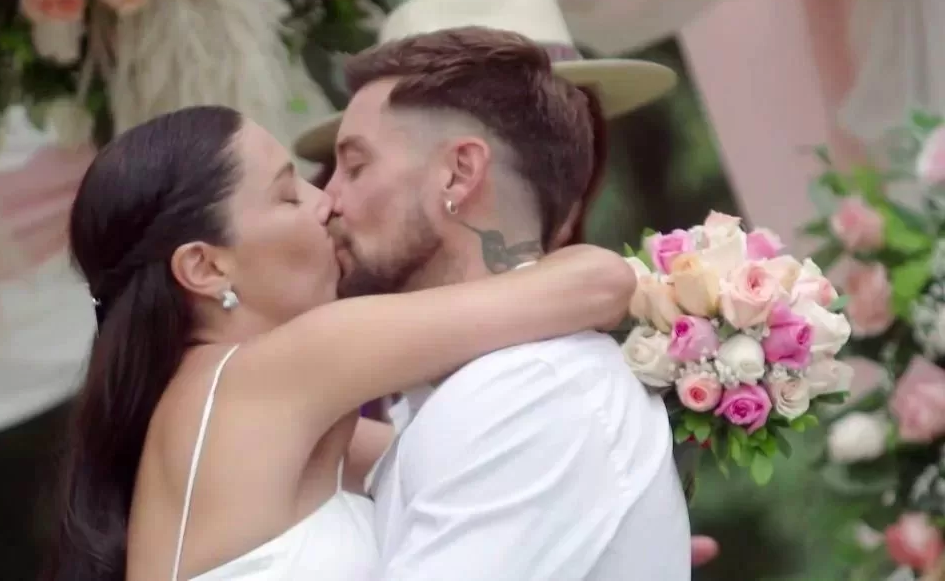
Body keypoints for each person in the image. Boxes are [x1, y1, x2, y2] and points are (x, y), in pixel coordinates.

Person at [42, 104, 637, 581]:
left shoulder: (219, 407)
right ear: (205, 266)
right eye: (287, 194)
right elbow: (598, 282)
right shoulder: (277, 371)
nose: (324, 201)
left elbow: (450, 459)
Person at [319, 20, 691, 578]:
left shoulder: (530, 391)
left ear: (458, 173)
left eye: (355, 166)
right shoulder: (485, 386)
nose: (327, 200)